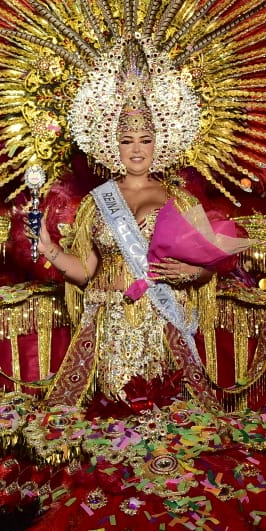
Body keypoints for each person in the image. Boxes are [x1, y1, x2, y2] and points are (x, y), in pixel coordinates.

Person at [35, 95, 219, 409]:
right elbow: (84, 272)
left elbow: (208, 266)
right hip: (110, 324)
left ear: (158, 143)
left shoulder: (182, 200)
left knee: (169, 415)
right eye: (127, 140)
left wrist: (192, 273)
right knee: (115, 420)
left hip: (163, 321)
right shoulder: (97, 202)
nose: (136, 149)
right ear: (114, 145)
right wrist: (49, 249)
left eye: (145, 140)